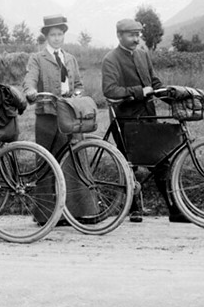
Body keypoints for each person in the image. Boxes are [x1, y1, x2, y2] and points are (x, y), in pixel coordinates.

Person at [101, 18, 190, 223]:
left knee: (160, 161)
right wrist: (139, 91)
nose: (135, 39)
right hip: (125, 119)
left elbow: (154, 82)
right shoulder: (111, 59)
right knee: (128, 164)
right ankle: (133, 209)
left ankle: (175, 210)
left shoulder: (142, 55)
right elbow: (110, 90)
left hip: (148, 116)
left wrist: (170, 93)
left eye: (137, 35)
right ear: (119, 36)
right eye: (131, 35)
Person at [23, 15, 98, 225]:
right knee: (47, 162)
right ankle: (46, 215)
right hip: (47, 115)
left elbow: (79, 84)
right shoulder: (37, 58)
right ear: (46, 36)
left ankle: (80, 212)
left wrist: (77, 94)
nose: (57, 38)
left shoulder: (70, 59)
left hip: (70, 114)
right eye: (53, 35)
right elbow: (29, 79)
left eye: (60, 34)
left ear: (64, 35)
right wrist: (30, 91)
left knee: (75, 159)